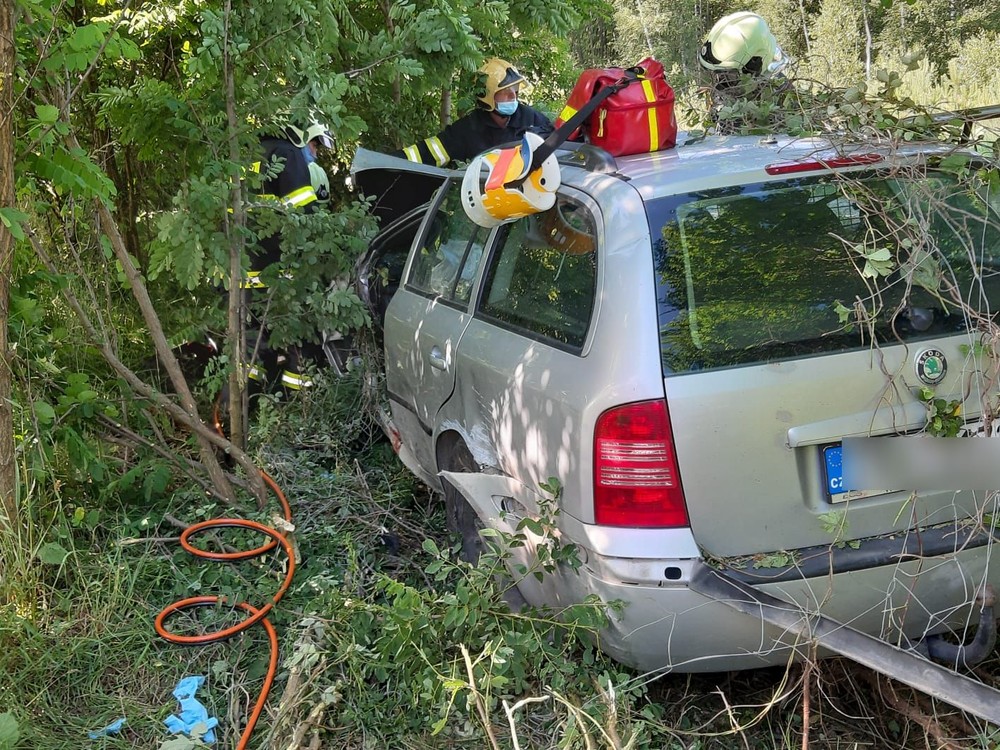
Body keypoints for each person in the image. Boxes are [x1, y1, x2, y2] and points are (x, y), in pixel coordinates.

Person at [245, 116, 333, 393]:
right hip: (282, 274)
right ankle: (299, 407)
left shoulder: (248, 155)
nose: (315, 153)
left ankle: (250, 407)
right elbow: (303, 216)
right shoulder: (288, 154)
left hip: (243, 277)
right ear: (302, 136)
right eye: (315, 145)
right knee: (302, 344)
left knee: (254, 347)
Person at [396, 57, 554, 167]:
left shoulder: (531, 118)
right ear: (487, 97)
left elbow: (559, 145)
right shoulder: (467, 129)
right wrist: (390, 161)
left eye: (515, 91)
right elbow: (429, 152)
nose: (513, 96)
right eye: (506, 92)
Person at [696, 12, 792, 134]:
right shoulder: (724, 94)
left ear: (753, 65)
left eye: (727, 75)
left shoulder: (779, 94)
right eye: (717, 74)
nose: (721, 82)